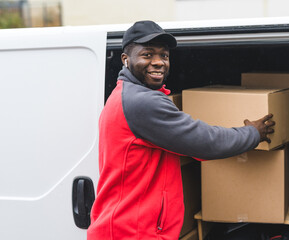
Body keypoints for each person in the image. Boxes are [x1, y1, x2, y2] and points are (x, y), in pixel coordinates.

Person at [87, 20, 275, 240]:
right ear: (126, 60)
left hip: (132, 227)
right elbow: (205, 143)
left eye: (164, 56)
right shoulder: (141, 102)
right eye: (147, 55)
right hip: (132, 232)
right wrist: (253, 133)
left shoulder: (127, 95)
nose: (158, 62)